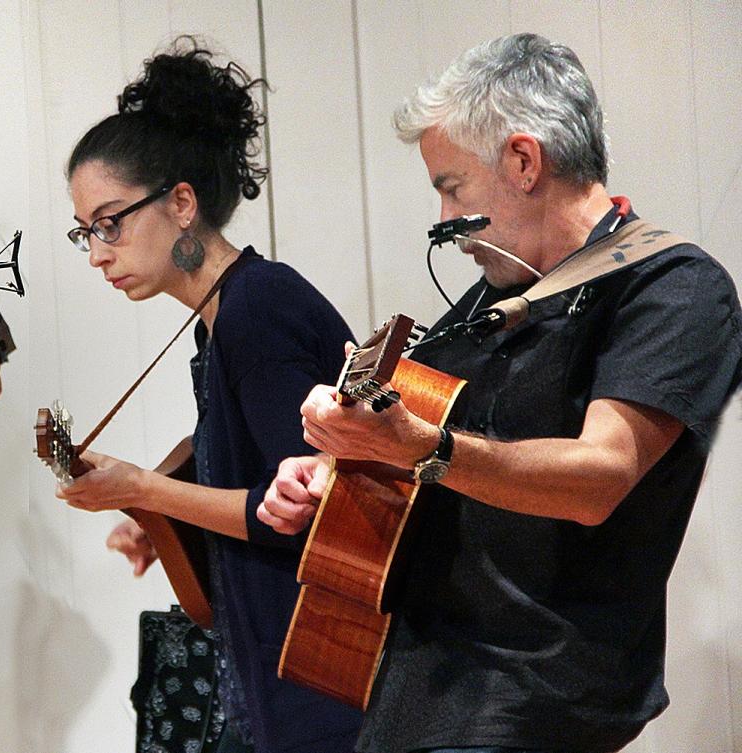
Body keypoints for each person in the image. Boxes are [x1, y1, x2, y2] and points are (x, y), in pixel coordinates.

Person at [258, 33, 742, 753]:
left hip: (532, 701)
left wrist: (423, 447)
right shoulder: (493, 297)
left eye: (452, 187)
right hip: (420, 693)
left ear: (522, 161)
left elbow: (599, 478)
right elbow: (421, 446)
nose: (446, 222)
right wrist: (336, 468)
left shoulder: (673, 287)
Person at [54, 40, 363, 753]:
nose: (98, 251)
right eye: (85, 232)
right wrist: (158, 501)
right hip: (282, 678)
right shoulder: (227, 315)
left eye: (110, 222)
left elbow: (299, 507)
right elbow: (244, 449)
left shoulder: (255, 309)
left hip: (319, 686)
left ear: (181, 202)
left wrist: (147, 491)